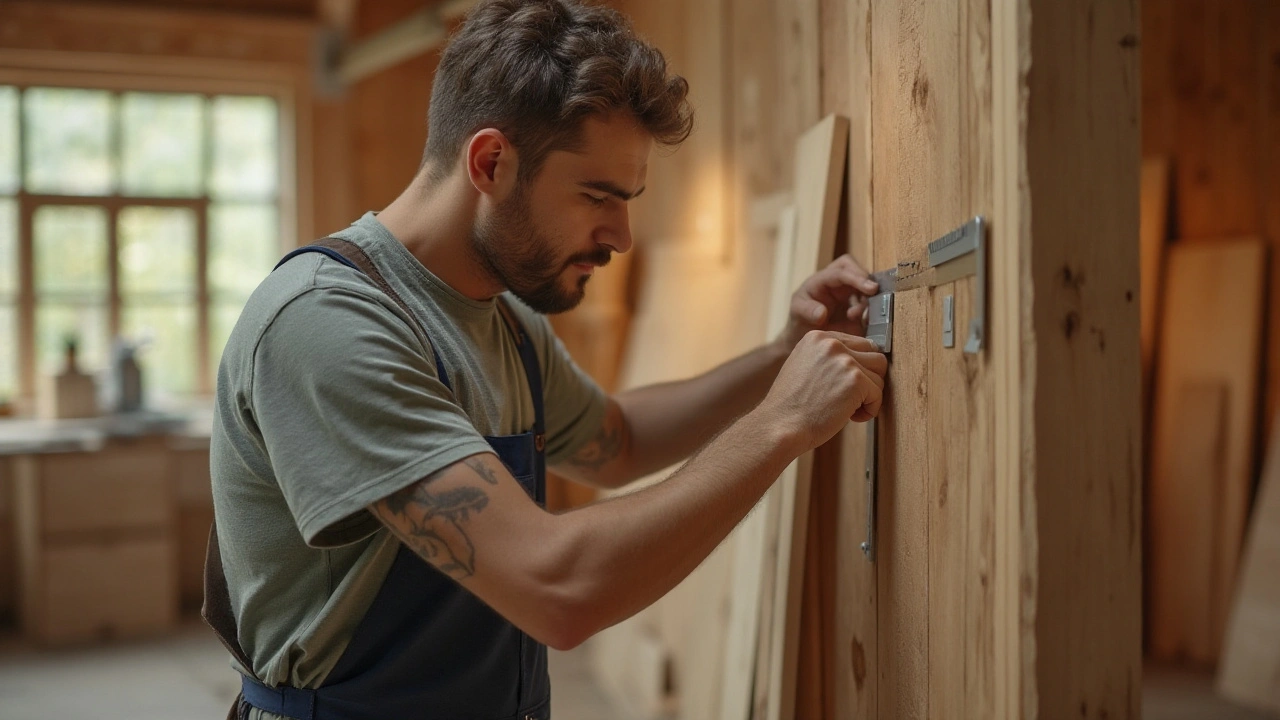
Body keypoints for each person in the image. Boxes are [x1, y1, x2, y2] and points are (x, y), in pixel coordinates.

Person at [206, 1, 887, 718]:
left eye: (629, 201)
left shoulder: (506, 318)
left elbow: (616, 442)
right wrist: (781, 424)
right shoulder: (328, 323)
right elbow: (557, 590)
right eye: (598, 196)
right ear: (492, 162)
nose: (622, 236)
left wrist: (780, 357)